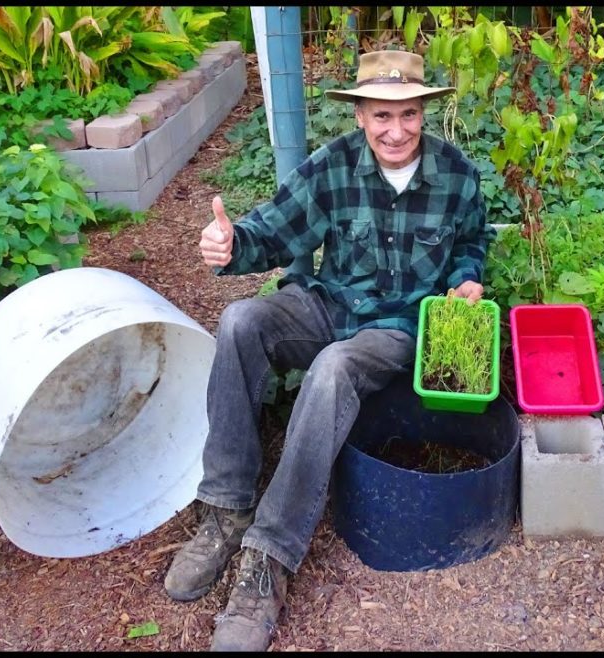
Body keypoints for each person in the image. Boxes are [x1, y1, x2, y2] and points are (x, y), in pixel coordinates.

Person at [163, 49, 495, 652]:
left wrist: (467, 277)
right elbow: (272, 231)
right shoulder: (332, 167)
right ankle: (226, 509)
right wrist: (231, 243)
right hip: (328, 305)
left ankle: (268, 558)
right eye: (381, 116)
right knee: (241, 320)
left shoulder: (457, 176)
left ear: (425, 112)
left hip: (396, 328)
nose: (396, 131)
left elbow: (472, 242)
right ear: (361, 116)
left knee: (334, 366)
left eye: (410, 115)